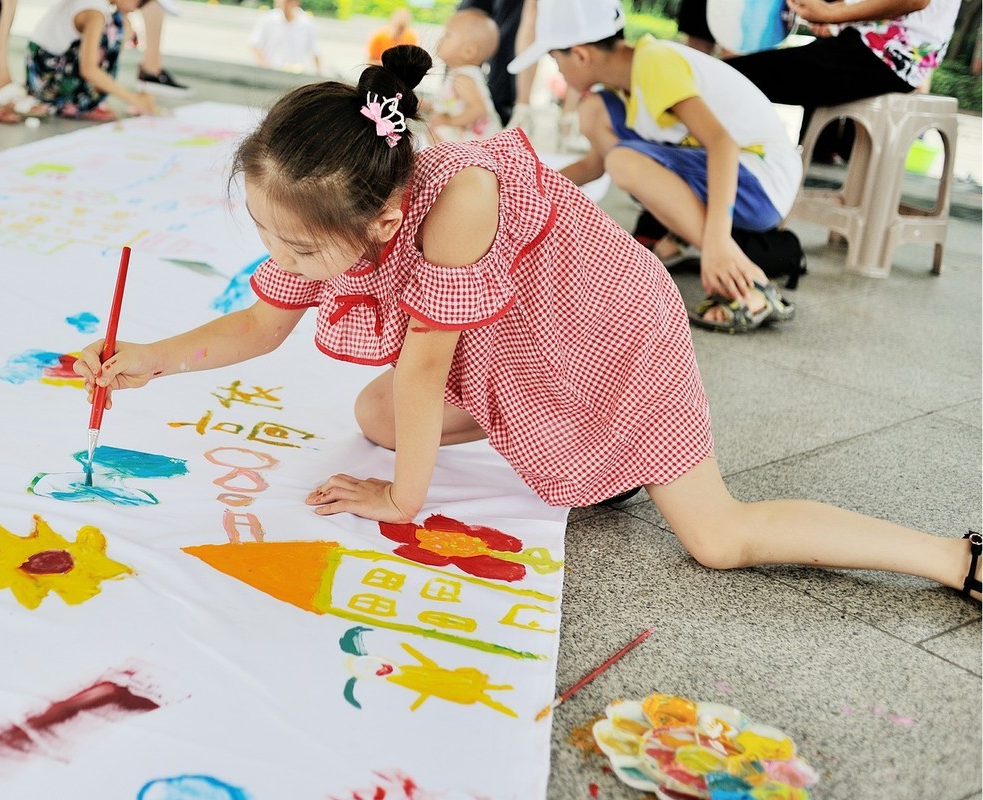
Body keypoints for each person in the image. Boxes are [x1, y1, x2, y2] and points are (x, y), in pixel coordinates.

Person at [73, 45, 982, 603]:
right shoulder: (340, 203)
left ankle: (955, 558)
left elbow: (429, 370)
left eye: (300, 251)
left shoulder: (458, 199)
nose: (287, 263)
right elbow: (260, 326)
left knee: (717, 539)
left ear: (385, 224)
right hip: (520, 345)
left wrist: (401, 503)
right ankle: (595, 461)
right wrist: (145, 358)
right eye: (269, 238)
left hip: (613, 335)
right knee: (376, 420)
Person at [507, 0, 803, 332]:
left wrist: (717, 242)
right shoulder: (623, 82)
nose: (558, 71)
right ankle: (698, 241)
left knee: (624, 160)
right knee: (598, 120)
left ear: (580, 54)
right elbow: (594, 165)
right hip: (734, 177)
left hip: (762, 180)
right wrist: (518, 190)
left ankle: (749, 282)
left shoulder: (654, 64)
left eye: (554, 59)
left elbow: (722, 144)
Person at [725, 0, 962, 163]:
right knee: (731, 77)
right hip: (887, 55)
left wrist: (831, 14)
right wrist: (833, 14)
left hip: (883, 55)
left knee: (725, 78)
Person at [25, 0, 157, 121]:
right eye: (141, 2)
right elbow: (89, 69)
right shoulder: (95, 13)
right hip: (47, 85)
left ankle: (90, 98)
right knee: (119, 28)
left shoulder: (98, 5)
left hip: (40, 75)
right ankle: (83, 104)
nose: (137, 9)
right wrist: (136, 100)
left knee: (121, 24)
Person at [425, 8, 503, 141]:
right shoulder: (458, 74)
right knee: (433, 128)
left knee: (435, 130)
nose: (441, 39)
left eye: (447, 35)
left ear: (468, 51)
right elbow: (449, 105)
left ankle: (446, 159)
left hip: (480, 140)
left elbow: (479, 109)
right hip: (467, 135)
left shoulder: (463, 77)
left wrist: (450, 121)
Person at [248, 0, 321, 74]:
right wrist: (265, 66)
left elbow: (314, 51)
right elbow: (255, 44)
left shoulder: (306, 23)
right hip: (272, 72)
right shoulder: (268, 19)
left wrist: (318, 73)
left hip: (295, 75)